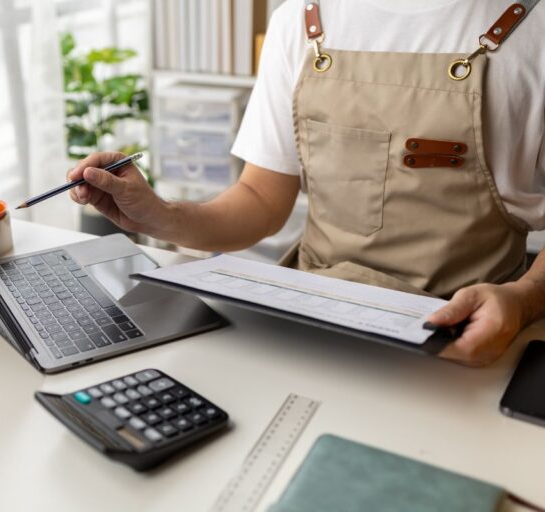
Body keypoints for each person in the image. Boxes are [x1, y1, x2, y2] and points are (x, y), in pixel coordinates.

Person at [67, 0, 545, 367]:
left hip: (463, 341)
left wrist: (523, 301)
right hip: (309, 326)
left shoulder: (535, 29)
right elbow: (259, 201)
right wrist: (159, 215)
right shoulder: (302, 17)